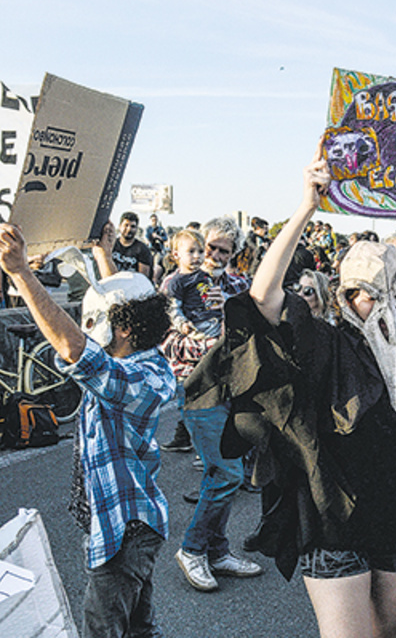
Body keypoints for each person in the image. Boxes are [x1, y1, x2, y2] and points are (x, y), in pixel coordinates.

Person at [183, 155, 396, 638]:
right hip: (333, 521)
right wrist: (306, 208)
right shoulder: (324, 345)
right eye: (361, 292)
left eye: (389, 287)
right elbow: (262, 300)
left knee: (386, 634)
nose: (376, 302)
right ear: (343, 296)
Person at [0, 223, 174, 638]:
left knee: (104, 630)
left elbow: (75, 350)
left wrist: (21, 272)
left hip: (123, 530)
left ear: (124, 327)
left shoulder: (136, 380)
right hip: (132, 523)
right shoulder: (142, 360)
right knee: (140, 630)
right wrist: (102, 255)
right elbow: (120, 309)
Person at [161, 217, 262, 592]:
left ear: (234, 253)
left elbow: (253, 334)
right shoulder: (178, 283)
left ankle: (217, 551)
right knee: (227, 474)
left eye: (224, 250)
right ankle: (191, 548)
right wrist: (213, 340)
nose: (215, 255)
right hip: (199, 387)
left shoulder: (239, 285)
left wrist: (231, 317)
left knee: (223, 474)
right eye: (211, 247)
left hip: (236, 388)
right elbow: (167, 341)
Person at [163, 229, 223, 339]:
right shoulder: (177, 282)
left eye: (200, 251)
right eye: (191, 251)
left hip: (216, 320)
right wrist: (182, 324)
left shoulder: (205, 275)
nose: (197, 256)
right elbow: (173, 308)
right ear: (176, 254)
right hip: (199, 326)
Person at [112, 212, 153, 279]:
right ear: (120, 226)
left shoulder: (142, 249)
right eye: (126, 225)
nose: (129, 229)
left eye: (133, 226)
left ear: (137, 229)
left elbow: (143, 278)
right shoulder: (111, 245)